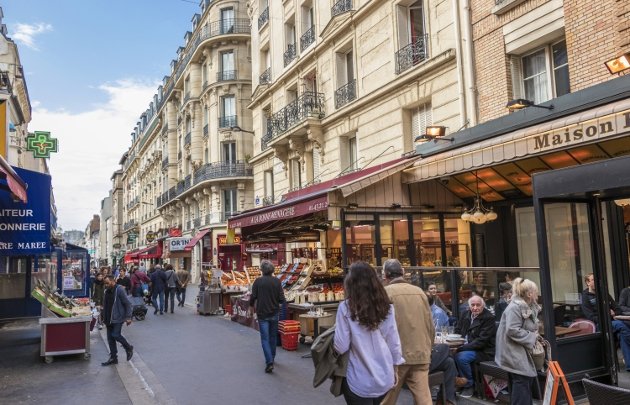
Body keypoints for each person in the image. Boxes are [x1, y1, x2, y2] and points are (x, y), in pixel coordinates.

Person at [334, 261, 405, 404]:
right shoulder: (387, 307)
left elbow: (340, 346)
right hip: (384, 375)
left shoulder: (346, 308)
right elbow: (394, 342)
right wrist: (395, 368)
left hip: (357, 378)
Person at [381, 259, 433, 405]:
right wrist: (429, 348)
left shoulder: (385, 293)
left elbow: (382, 328)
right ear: (403, 273)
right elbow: (430, 324)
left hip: (396, 356)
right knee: (424, 399)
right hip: (421, 352)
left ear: (385, 275)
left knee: (387, 399)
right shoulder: (420, 292)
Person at [495, 278, 541, 405]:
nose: (537, 293)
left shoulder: (526, 305)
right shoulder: (515, 307)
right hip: (513, 352)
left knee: (523, 383)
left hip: (518, 350)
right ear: (529, 293)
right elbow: (512, 330)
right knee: (522, 382)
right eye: (535, 291)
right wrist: (532, 336)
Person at [581, 273, 630, 371]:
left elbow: (618, 309)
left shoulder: (604, 293)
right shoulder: (585, 296)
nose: (596, 282)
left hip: (612, 323)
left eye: (597, 280)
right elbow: (590, 316)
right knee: (621, 326)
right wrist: (607, 315)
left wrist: (613, 312)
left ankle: (629, 365)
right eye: (593, 280)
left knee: (622, 334)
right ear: (588, 282)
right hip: (600, 325)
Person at [454, 295, 496, 398]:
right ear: (469, 306)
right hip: (467, 347)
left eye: (478, 305)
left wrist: (460, 348)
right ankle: (459, 382)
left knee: (461, 357)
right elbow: (457, 330)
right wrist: (455, 341)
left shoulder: (488, 318)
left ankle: (469, 385)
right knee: (449, 355)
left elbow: (481, 342)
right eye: (473, 305)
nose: (475, 308)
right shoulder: (465, 314)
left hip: (484, 351)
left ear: (483, 305)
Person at [249, 260, 285, 373]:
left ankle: (269, 361)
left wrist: (251, 308)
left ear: (262, 270)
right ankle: (272, 358)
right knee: (273, 337)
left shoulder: (258, 282)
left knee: (265, 338)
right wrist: (277, 306)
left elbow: (253, 297)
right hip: (274, 313)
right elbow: (281, 299)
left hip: (262, 314)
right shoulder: (277, 281)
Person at [101, 275, 133, 366]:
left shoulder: (119, 290)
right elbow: (106, 304)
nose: (106, 285)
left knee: (115, 335)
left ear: (113, 281)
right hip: (108, 318)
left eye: (107, 283)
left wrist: (128, 317)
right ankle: (113, 358)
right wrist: (103, 316)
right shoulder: (106, 291)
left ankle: (128, 347)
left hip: (117, 317)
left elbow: (127, 304)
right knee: (110, 339)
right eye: (105, 283)